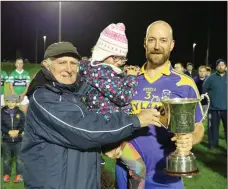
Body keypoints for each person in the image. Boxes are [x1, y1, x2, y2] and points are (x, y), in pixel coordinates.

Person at [21, 41, 163, 189]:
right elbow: (85, 131)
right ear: (46, 64)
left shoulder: (73, 94)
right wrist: (136, 120)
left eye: (73, 63)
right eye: (62, 62)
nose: (69, 69)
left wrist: (105, 144)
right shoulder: (44, 97)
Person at [115, 20, 205, 189]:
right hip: (128, 169)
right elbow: (111, 118)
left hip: (167, 175)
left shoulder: (185, 84)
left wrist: (191, 139)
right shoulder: (127, 81)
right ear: (145, 43)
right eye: (152, 40)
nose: (157, 46)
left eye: (163, 40)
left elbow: (198, 126)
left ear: (171, 45)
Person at [80, 23, 146, 189]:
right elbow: (123, 97)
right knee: (139, 168)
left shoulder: (95, 70)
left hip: (108, 128)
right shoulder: (102, 72)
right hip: (109, 130)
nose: (119, 63)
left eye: (122, 58)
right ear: (104, 53)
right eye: (116, 58)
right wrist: (131, 77)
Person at [203, 59, 227, 151]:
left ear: (225, 66)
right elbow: (204, 89)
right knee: (212, 128)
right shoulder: (211, 78)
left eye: (223, 65)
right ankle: (213, 144)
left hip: (226, 108)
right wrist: (210, 99)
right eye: (219, 65)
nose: (221, 67)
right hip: (213, 108)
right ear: (217, 67)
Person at [1, 94, 25, 183]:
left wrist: (18, 131)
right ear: (6, 102)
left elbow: (24, 124)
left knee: (19, 159)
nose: (11, 104)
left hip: (18, 140)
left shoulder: (20, 113)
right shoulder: (2, 112)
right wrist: (8, 132)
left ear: (16, 102)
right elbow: (1, 125)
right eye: (9, 102)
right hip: (6, 140)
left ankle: (19, 175)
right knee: (6, 159)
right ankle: (6, 174)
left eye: (13, 102)